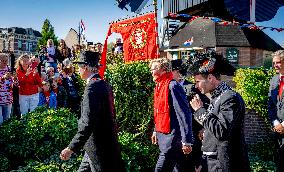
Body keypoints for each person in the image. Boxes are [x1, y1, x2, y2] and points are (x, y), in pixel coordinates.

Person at [60, 51, 124, 171]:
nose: (77, 70)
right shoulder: (103, 84)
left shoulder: (92, 88)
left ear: (85, 67)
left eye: (79, 66)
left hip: (98, 146)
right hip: (96, 145)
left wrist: (71, 148)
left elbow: (87, 122)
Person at [189, 52, 250, 172]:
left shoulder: (229, 97)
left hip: (224, 164)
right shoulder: (217, 97)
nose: (196, 86)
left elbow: (221, 131)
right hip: (212, 162)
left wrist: (200, 111)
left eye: (197, 81)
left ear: (210, 78)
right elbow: (215, 126)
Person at [149, 57, 193, 172]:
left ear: (163, 70)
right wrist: (155, 130)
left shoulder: (172, 86)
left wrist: (186, 140)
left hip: (172, 139)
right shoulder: (159, 86)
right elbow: (159, 112)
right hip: (164, 136)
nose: (151, 71)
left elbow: (184, 114)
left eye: (154, 69)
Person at [171, 59, 210, 172]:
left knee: (190, 166)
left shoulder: (192, 87)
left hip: (192, 132)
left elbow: (206, 105)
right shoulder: (168, 87)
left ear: (177, 72)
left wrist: (204, 127)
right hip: (175, 135)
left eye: (171, 71)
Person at [268, 50, 284, 172]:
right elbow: (271, 104)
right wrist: (275, 122)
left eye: (278, 62)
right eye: (274, 63)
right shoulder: (273, 80)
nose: (275, 66)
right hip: (278, 131)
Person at [0, 53, 14, 125]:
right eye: (3, 61)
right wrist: (2, 78)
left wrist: (15, 79)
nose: (5, 62)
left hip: (8, 99)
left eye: (6, 61)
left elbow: (15, 83)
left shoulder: (9, 69)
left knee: (7, 121)